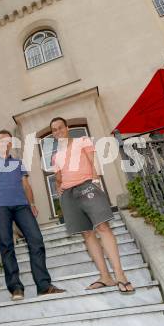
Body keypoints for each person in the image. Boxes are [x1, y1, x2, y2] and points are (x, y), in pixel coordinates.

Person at [50, 117, 135, 294]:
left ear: (67, 128)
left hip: (87, 185)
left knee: (103, 227)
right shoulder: (55, 156)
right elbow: (58, 176)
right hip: (69, 194)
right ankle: (105, 277)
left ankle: (120, 275)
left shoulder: (83, 141)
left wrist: (95, 180)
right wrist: (59, 187)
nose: (58, 132)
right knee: (87, 233)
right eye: (54, 130)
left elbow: (92, 161)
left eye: (60, 128)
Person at [0, 129, 66, 301]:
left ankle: (43, 286)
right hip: (0, 207)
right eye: (2, 141)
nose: (6, 144)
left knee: (36, 240)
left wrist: (32, 203)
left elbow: (26, 185)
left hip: (22, 206)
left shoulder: (18, 163)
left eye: (8, 141)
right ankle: (16, 288)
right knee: (6, 245)